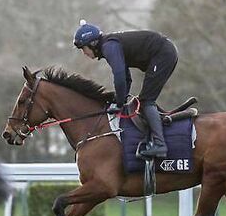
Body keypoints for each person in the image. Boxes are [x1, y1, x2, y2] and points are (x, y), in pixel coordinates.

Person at [73, 20, 178, 158]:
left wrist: (120, 103)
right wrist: (118, 100)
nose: (84, 53)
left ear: (92, 44)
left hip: (163, 53)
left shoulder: (109, 47)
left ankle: (160, 145)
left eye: (83, 48)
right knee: (145, 101)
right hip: (164, 52)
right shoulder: (110, 46)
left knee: (146, 101)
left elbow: (120, 76)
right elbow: (127, 79)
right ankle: (155, 135)